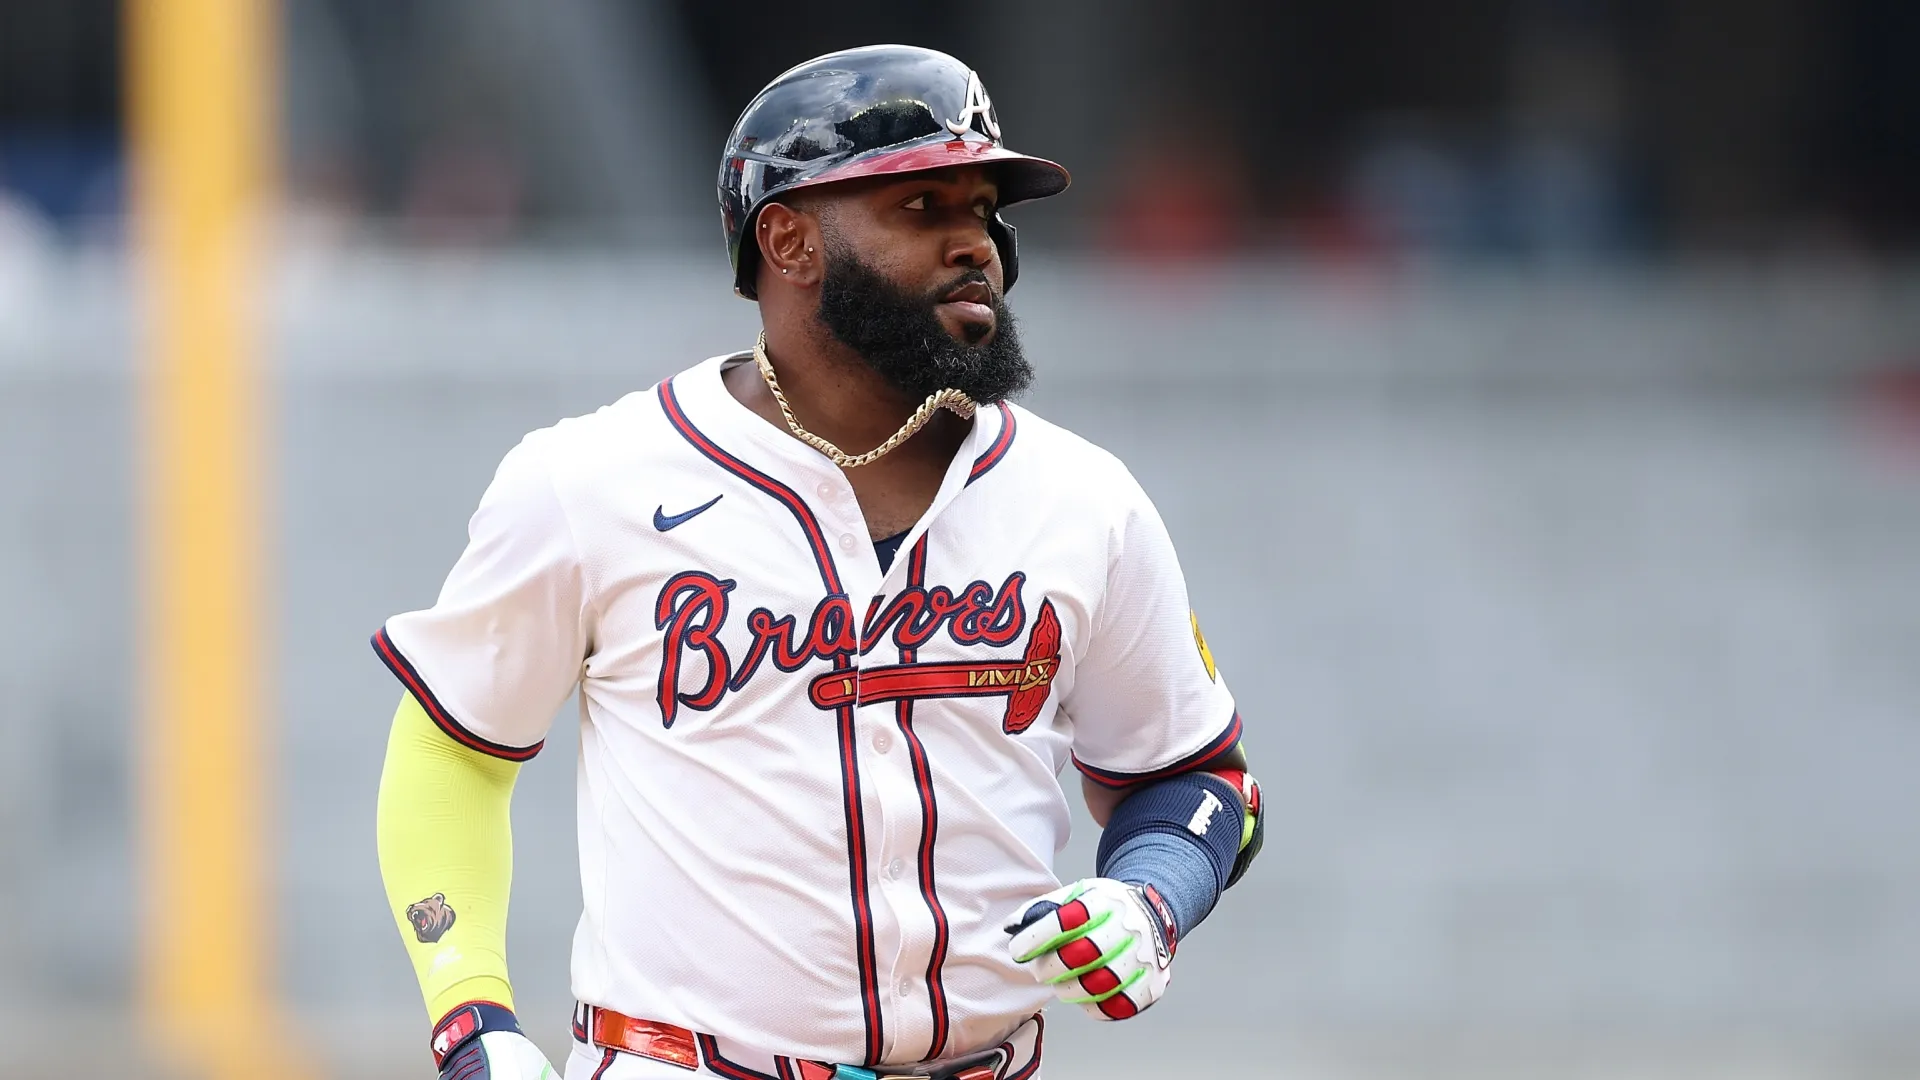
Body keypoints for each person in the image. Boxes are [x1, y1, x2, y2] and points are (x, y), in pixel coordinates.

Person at [374, 44, 1264, 1080]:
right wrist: (470, 1019)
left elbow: (1197, 776)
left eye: (983, 210)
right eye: (921, 210)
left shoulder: (1082, 500)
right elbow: (453, 750)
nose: (974, 244)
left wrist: (1149, 896)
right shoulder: (593, 481)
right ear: (788, 240)